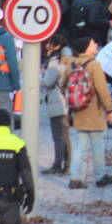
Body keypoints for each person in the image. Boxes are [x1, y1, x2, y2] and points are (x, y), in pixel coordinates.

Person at [67, 37, 112, 189]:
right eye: (93, 43)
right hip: (94, 111)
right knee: (97, 146)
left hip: (79, 110)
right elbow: (102, 90)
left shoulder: (73, 64)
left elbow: (64, 84)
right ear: (87, 48)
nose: (96, 44)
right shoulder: (94, 65)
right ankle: (100, 176)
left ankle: (75, 178)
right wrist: (110, 110)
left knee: (80, 146)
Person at [40, 34, 72, 175]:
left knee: (58, 136)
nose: (47, 45)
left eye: (50, 43)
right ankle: (67, 164)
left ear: (57, 46)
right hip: (63, 101)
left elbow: (47, 82)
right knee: (64, 135)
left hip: (56, 101)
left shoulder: (54, 62)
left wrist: (37, 78)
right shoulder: (65, 61)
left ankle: (58, 165)